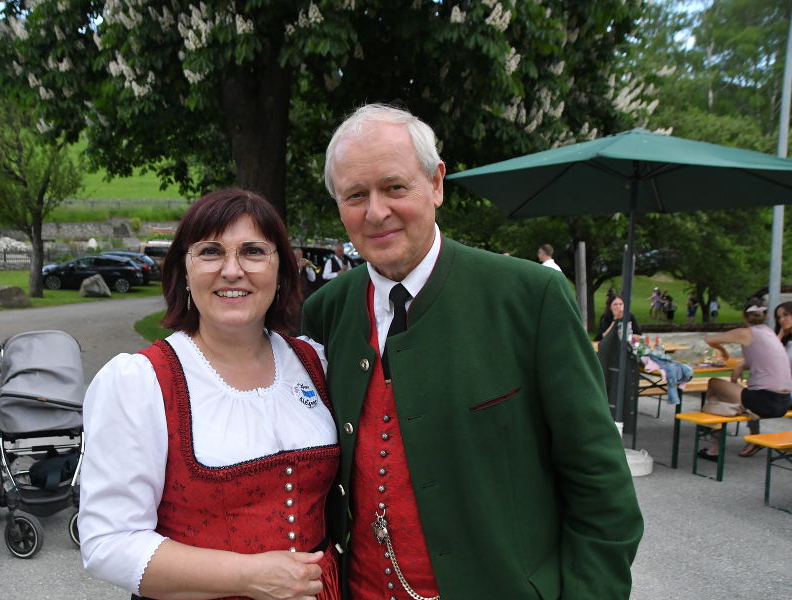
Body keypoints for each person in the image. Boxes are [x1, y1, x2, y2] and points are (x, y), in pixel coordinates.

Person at [303, 104, 642, 598]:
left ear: (436, 183)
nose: (376, 212)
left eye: (395, 187)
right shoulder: (326, 310)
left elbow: (600, 484)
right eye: (356, 195)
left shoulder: (529, 298)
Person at [79, 189, 341, 600]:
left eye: (254, 251)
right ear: (184, 270)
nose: (232, 270)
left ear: (281, 271)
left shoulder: (315, 362)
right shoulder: (141, 381)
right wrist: (246, 576)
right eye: (210, 252)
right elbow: (108, 544)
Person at [701, 302, 792, 459]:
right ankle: (721, 424)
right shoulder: (770, 334)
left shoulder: (746, 332)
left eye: (785, 315)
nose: (781, 319)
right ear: (767, 316)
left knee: (713, 384)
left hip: (767, 401)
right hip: (784, 401)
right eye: (779, 317)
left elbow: (709, 338)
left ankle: (714, 445)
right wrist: (741, 365)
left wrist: (723, 351)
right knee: (734, 390)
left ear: (744, 316)